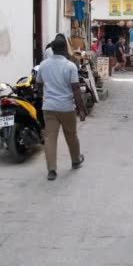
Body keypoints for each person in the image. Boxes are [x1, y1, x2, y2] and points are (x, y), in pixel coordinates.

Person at [36, 37, 87, 181]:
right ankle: (75, 160)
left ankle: (51, 170)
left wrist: (45, 96)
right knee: (71, 135)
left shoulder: (43, 65)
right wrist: (81, 109)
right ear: (65, 48)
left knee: (50, 138)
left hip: (49, 107)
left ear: (52, 49)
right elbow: (76, 89)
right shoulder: (70, 66)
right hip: (66, 107)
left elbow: (39, 85)